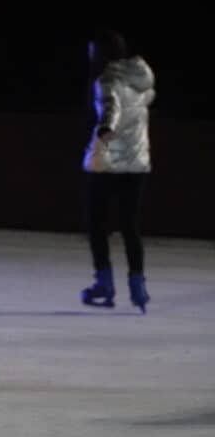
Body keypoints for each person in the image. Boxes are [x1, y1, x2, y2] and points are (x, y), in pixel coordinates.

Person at [79, 28, 155, 313]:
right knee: (129, 226)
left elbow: (111, 108)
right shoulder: (141, 82)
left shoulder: (106, 79)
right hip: (137, 164)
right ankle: (138, 286)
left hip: (107, 163)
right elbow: (140, 105)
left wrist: (105, 132)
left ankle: (105, 283)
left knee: (96, 224)